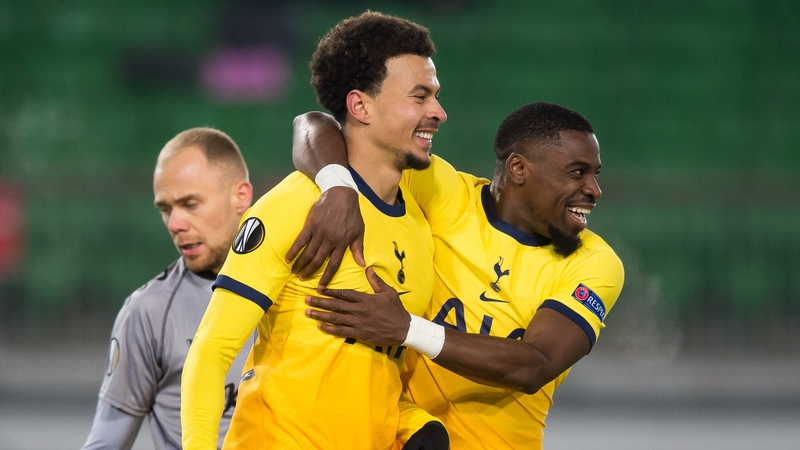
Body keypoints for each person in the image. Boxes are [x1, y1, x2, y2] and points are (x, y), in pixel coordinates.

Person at [180, 11, 449, 449]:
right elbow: (211, 352)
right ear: (360, 105)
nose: (438, 112)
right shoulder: (297, 205)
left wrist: (416, 426)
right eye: (419, 97)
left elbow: (375, 373)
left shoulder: (417, 227)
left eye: (435, 96)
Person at [290, 101, 625, 449]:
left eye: (595, 174)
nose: (594, 190)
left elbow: (534, 365)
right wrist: (337, 186)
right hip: (394, 436)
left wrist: (407, 328)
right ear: (519, 168)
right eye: (577, 172)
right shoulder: (444, 193)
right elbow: (313, 125)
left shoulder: (595, 263)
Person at [81, 128, 255, 450]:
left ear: (240, 196)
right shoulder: (148, 312)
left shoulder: (296, 288)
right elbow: (105, 444)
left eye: (190, 204)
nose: (175, 224)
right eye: (165, 209)